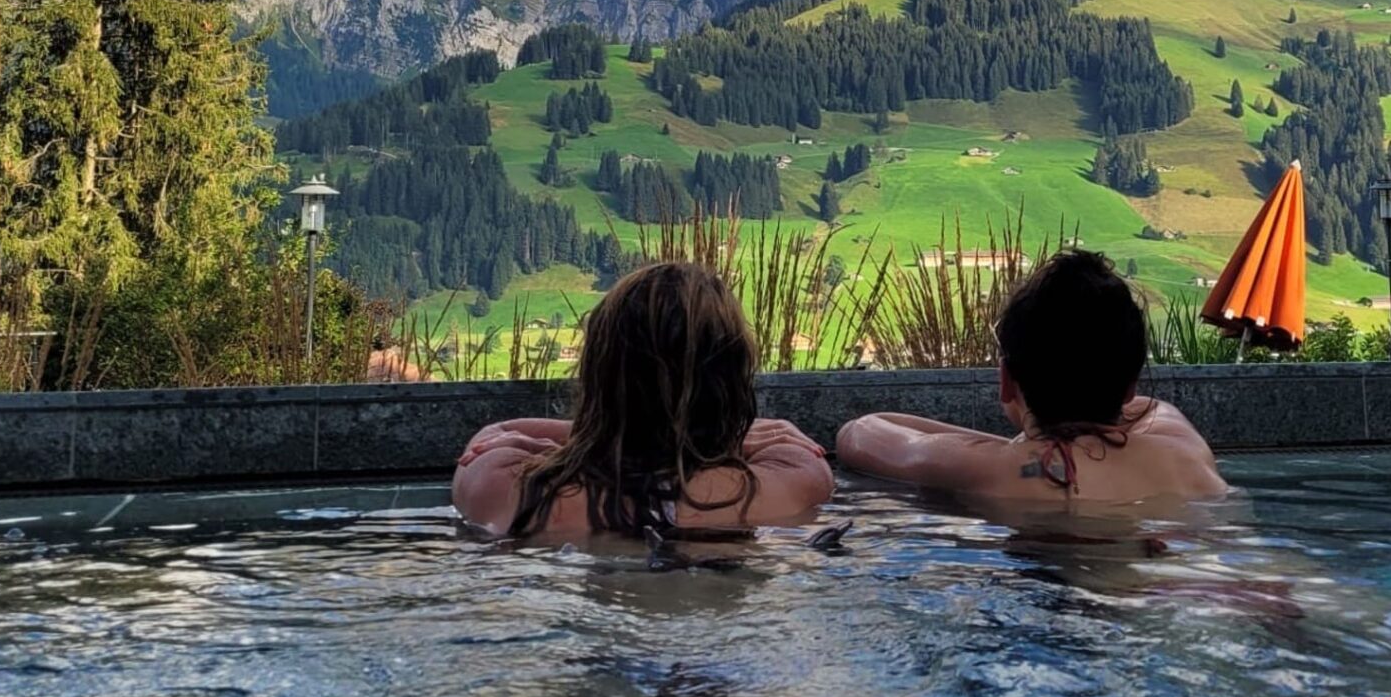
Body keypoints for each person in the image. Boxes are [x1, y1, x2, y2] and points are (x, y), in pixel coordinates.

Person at [452, 260, 834, 540]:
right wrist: (725, 439)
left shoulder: (513, 490)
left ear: (596, 374)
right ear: (733, 385)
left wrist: (596, 435)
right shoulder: (787, 484)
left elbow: (492, 437)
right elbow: (797, 449)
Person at [836, 247, 1227, 512]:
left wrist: (1025, 442)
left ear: (1006, 381)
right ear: (1130, 384)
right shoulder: (1184, 455)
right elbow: (1151, 409)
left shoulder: (997, 469)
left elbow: (859, 433)